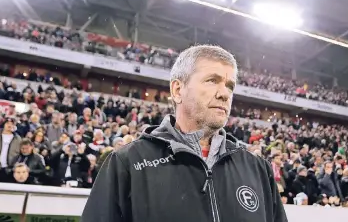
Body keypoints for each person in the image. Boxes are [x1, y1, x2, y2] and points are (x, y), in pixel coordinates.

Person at [82, 45, 287, 222]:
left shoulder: (258, 169)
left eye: (229, 86)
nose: (224, 94)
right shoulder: (127, 163)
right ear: (178, 90)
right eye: (212, 80)